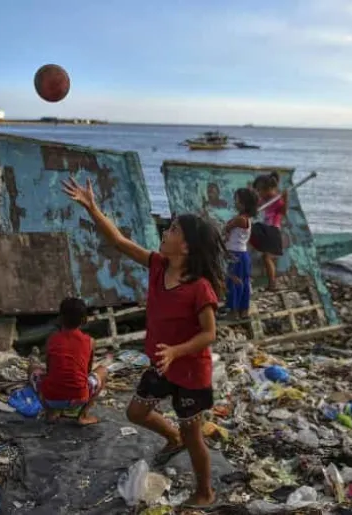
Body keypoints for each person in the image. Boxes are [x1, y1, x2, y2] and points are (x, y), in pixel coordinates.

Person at [62, 177, 227, 508]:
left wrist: (177, 351)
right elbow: (119, 241)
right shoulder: (158, 265)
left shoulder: (200, 288)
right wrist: (92, 207)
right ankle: (172, 437)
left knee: (195, 435)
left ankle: (205, 492)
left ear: (186, 247)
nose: (165, 232)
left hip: (191, 373)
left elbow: (210, 334)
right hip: (162, 364)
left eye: (173, 230)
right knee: (136, 412)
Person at [32, 297, 109, 426]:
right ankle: (83, 416)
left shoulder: (51, 340)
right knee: (103, 371)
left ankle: (50, 413)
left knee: (33, 369)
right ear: (84, 320)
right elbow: (87, 371)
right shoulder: (90, 342)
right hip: (80, 398)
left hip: (52, 399)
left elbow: (50, 370)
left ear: (60, 318)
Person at [224, 188, 259, 320]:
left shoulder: (240, 219)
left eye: (237, 200)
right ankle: (243, 311)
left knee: (233, 282)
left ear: (244, 204)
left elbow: (227, 227)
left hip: (236, 255)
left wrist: (227, 228)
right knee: (243, 282)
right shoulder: (246, 219)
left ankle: (233, 311)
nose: (235, 203)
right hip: (242, 255)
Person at [251, 171, 288, 291]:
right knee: (266, 257)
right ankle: (272, 282)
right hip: (265, 229)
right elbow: (256, 207)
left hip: (272, 230)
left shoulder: (277, 200)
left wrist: (285, 198)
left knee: (267, 257)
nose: (258, 193)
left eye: (260, 190)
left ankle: (272, 283)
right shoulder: (264, 199)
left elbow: (283, 212)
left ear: (268, 189)